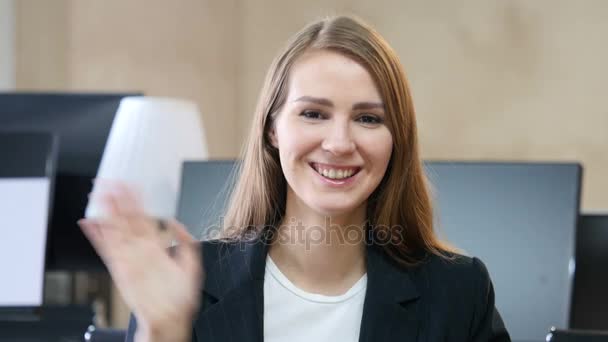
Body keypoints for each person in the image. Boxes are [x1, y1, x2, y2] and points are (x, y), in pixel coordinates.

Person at [79, 15, 511, 342]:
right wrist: (163, 331)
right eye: (313, 114)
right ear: (272, 129)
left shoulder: (459, 292)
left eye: (367, 117)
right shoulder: (182, 285)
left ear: (396, 137)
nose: (340, 142)